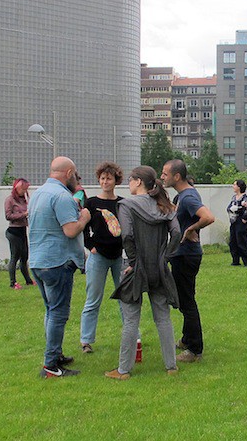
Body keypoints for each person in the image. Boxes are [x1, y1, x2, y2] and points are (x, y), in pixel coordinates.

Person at [105, 166, 181, 379]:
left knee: (131, 320)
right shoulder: (165, 206)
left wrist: (133, 261)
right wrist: (165, 258)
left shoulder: (126, 205)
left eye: (130, 179)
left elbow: (127, 236)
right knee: (163, 318)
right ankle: (171, 366)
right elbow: (177, 233)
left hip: (135, 269)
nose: (128, 183)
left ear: (138, 182)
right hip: (158, 269)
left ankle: (123, 370)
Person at [29, 157, 92, 378]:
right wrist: (84, 217)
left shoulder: (38, 193)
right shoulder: (61, 196)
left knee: (50, 311)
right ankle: (50, 366)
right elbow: (71, 230)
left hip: (38, 260)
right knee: (58, 313)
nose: (76, 178)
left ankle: (55, 354)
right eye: (75, 174)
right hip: (57, 262)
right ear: (69, 173)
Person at [161, 159, 215, 363]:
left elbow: (208, 216)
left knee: (187, 301)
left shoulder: (189, 196)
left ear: (177, 176)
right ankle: (186, 338)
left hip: (186, 255)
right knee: (185, 297)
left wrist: (192, 229)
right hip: (182, 254)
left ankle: (194, 349)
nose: (162, 177)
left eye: (165, 174)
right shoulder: (182, 195)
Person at [80, 162, 126, 353]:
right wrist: (90, 246)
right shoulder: (91, 203)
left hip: (118, 256)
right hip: (98, 257)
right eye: (103, 178)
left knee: (125, 297)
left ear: (116, 180)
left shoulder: (122, 203)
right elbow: (82, 227)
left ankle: (132, 334)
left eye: (109, 178)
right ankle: (86, 340)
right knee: (93, 298)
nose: (105, 182)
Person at [5, 178, 33, 289]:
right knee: (14, 256)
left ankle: (28, 280)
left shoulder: (25, 199)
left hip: (22, 230)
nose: (24, 191)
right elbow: (8, 216)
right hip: (13, 231)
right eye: (23, 189)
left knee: (24, 256)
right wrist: (23, 214)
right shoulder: (10, 200)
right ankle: (13, 282)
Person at [227, 179, 247, 266]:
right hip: (234, 220)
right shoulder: (234, 197)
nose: (233, 186)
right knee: (233, 240)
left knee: (241, 240)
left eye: (234, 185)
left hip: (241, 220)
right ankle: (235, 260)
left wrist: (244, 218)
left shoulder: (245, 198)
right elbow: (229, 207)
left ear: (239, 187)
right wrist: (231, 209)